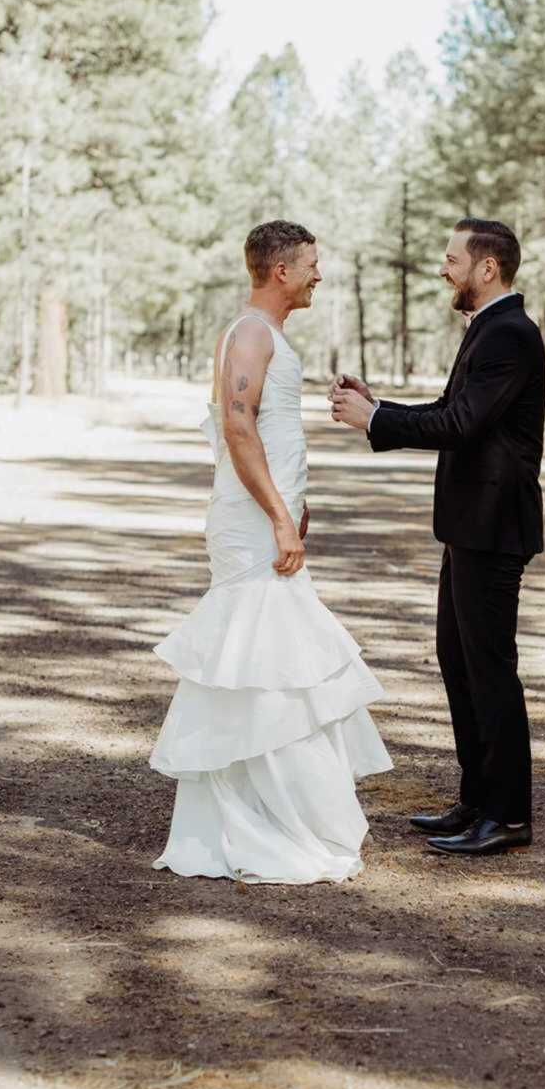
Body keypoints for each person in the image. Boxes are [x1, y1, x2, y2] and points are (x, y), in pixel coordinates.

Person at [150, 220, 393, 884]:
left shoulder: (268, 335)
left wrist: (295, 501)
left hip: (268, 514)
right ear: (281, 270)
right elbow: (236, 424)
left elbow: (269, 430)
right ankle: (274, 822)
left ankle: (262, 812)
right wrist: (281, 517)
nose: (319, 275)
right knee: (270, 660)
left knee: (272, 662)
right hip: (255, 525)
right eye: (312, 264)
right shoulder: (253, 333)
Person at [330, 218, 545, 857]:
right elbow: (457, 413)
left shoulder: (509, 333)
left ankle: (507, 816)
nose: (443, 267)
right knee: (460, 665)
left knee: (490, 671)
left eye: (453, 258)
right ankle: (477, 801)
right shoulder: (490, 328)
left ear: (488, 267)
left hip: (494, 529)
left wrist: (376, 420)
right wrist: (385, 408)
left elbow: (461, 423)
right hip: (468, 527)